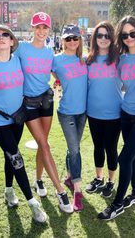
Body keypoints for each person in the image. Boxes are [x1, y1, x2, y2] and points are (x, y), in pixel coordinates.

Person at [0, 25, 47, 223]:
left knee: (10, 154)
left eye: (5, 35)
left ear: (11, 41)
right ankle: (32, 203)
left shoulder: (18, 59)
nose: (0, 37)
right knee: (16, 158)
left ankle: (9, 191)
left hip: (18, 117)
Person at [98, 16, 135, 220]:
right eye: (124, 35)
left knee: (124, 157)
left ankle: (117, 204)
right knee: (134, 155)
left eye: (133, 33)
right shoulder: (121, 59)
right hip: (126, 113)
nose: (129, 38)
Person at [14, 12, 73, 213]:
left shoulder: (50, 53)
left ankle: (38, 180)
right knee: (44, 144)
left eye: (44, 27)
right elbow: (4, 59)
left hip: (46, 102)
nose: (41, 31)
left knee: (43, 144)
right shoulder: (21, 49)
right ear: (32, 28)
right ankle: (60, 192)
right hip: (28, 104)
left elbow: (59, 72)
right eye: (38, 27)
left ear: (49, 29)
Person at [52, 25, 87, 211]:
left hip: (83, 112)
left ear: (79, 40)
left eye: (75, 38)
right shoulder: (56, 60)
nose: (72, 41)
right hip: (66, 112)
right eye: (68, 38)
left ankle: (68, 177)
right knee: (74, 150)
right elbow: (50, 73)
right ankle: (78, 192)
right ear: (62, 40)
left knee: (73, 148)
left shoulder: (85, 60)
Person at [85, 21, 122, 198]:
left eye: (107, 35)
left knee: (111, 148)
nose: (103, 39)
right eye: (99, 35)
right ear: (95, 38)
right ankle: (98, 178)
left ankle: (110, 181)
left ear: (112, 38)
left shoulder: (119, 59)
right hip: (93, 113)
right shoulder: (88, 59)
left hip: (114, 113)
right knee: (97, 147)